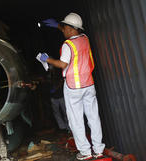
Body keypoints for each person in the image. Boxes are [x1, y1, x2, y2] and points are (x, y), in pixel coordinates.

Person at [38, 13, 105, 160]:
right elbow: (72, 30)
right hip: (88, 84)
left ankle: (86, 152)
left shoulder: (68, 45)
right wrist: (58, 25)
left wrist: (47, 58)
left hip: (74, 87)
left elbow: (62, 64)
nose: (64, 32)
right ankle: (98, 149)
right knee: (94, 118)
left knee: (76, 120)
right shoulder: (85, 39)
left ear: (69, 28)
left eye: (65, 28)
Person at [49, 67, 70, 132]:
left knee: (65, 112)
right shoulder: (48, 73)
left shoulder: (59, 72)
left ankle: (69, 127)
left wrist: (56, 88)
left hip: (61, 95)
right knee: (56, 112)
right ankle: (62, 127)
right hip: (53, 97)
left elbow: (62, 81)